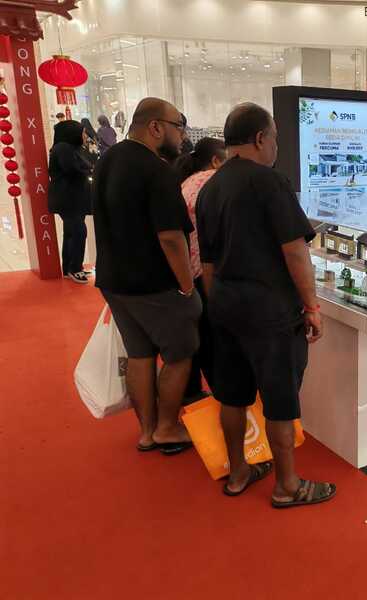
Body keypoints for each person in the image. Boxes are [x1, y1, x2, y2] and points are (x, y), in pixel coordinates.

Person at [196, 103, 334, 505]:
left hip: (224, 306)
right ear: (260, 138)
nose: (276, 145)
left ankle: (238, 470)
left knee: (232, 396)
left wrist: (218, 305)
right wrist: (312, 306)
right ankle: (287, 486)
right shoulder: (270, 182)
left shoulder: (210, 188)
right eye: (274, 137)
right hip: (270, 311)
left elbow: (207, 263)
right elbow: (295, 251)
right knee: (279, 400)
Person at [92, 97, 201, 455]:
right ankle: (167, 427)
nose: (182, 136)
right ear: (156, 127)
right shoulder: (156, 171)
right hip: (156, 285)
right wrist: (187, 287)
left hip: (114, 279)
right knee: (179, 354)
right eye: (178, 127)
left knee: (139, 355)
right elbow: (171, 237)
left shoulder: (108, 160)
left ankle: (148, 431)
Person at [174, 137, 227, 401]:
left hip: (188, 270)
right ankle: (225, 396)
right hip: (206, 272)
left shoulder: (188, 182)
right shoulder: (214, 181)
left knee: (196, 337)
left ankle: (192, 393)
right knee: (212, 339)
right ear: (216, 160)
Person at [48, 120, 92, 283]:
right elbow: (72, 169)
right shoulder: (63, 148)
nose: (85, 135)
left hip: (73, 198)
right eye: (83, 132)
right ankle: (75, 268)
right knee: (79, 232)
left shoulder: (72, 148)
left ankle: (68, 268)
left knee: (71, 233)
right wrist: (90, 169)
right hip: (67, 199)